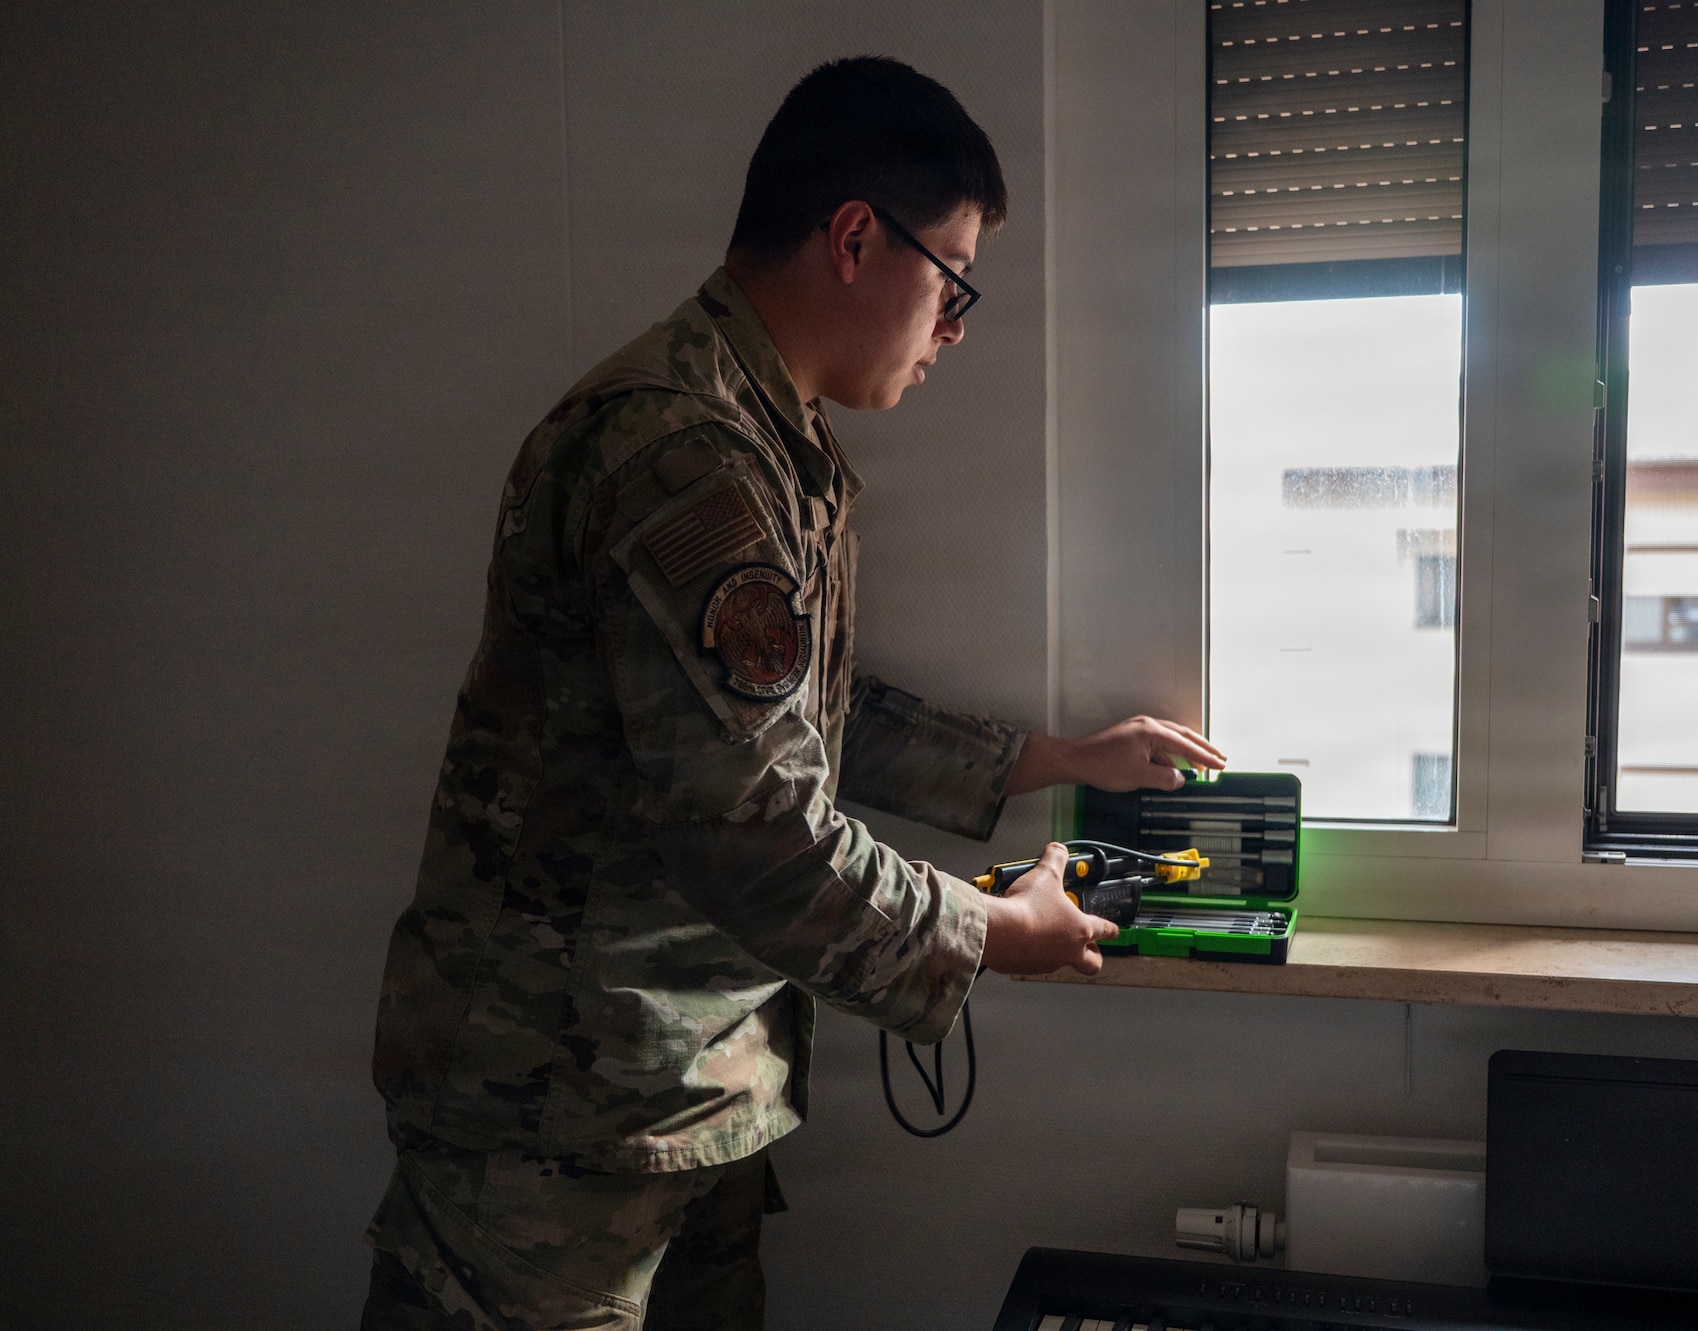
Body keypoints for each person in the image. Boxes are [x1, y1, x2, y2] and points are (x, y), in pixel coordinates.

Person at [358, 55, 1224, 1331]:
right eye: (955, 281)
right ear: (857, 239)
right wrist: (990, 929)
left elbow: (794, 716)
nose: (957, 326)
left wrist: (1046, 757)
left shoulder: (767, 440)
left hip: (686, 1088)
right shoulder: (681, 454)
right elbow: (759, 836)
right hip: (552, 1112)